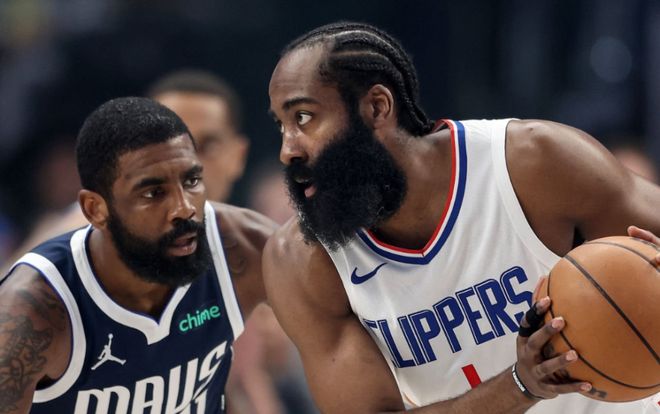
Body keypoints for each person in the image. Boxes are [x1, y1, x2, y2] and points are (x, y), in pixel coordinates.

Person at [263, 21, 660, 413]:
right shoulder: (303, 262)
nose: (288, 150)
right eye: (281, 125)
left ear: (377, 107)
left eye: (303, 118)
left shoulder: (532, 163)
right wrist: (520, 385)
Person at [0, 97, 275, 413]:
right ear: (95, 209)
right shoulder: (33, 310)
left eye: (192, 181)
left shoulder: (244, 246)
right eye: (153, 193)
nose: (184, 208)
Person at [1, 69, 249, 268]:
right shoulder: (82, 236)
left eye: (207, 146)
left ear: (237, 157)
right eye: (168, 143)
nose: (186, 161)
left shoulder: (254, 248)